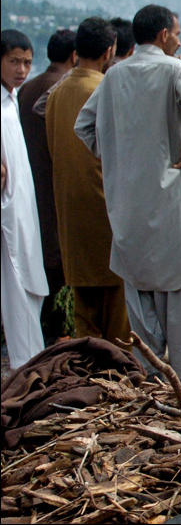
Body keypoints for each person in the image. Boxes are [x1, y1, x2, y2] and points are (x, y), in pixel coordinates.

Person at [74, 4, 181, 383]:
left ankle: (147, 378)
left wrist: (119, 160)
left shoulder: (113, 76)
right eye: (177, 32)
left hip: (127, 206)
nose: (179, 38)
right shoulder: (176, 70)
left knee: (138, 294)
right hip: (172, 199)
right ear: (162, 35)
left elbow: (84, 126)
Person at [42, 17, 131, 348]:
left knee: (86, 320)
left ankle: (91, 381)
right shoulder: (106, 91)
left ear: (77, 50)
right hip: (107, 217)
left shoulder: (56, 94)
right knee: (118, 319)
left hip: (71, 219)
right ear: (110, 50)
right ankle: (120, 383)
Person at [16, 29, 76, 344]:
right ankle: (57, 334)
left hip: (28, 189)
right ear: (75, 56)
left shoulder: (24, 90)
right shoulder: (64, 88)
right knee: (58, 266)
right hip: (56, 189)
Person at [1, 29, 47, 370]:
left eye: (27, 62)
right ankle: (24, 363)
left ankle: (30, 360)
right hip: (8, 210)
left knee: (26, 280)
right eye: (14, 61)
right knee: (15, 283)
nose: (22, 69)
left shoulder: (12, 99)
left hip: (21, 208)